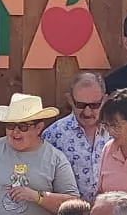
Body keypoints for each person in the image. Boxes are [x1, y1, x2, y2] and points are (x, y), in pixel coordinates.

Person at [41, 71, 112, 201]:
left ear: (105, 100)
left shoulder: (116, 131)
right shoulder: (53, 135)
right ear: (70, 100)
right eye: (80, 105)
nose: (87, 111)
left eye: (94, 105)